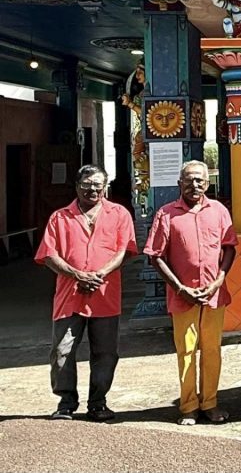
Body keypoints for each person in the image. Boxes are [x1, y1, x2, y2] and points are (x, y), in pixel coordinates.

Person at [34, 164, 137, 421]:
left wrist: (98, 275)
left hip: (105, 294)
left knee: (105, 352)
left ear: (105, 187)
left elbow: (123, 251)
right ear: (77, 186)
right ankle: (66, 402)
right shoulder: (60, 217)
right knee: (62, 350)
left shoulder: (119, 214)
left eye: (98, 185)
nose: (92, 190)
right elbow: (49, 254)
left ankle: (98, 403)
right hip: (69, 295)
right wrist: (77, 274)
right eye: (87, 185)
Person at [144, 161, 237, 426]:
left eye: (200, 181)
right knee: (185, 352)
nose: (194, 185)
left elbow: (229, 247)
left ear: (208, 184)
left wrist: (219, 279)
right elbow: (156, 256)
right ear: (179, 184)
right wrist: (179, 287)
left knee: (211, 350)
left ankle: (210, 403)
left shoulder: (218, 211)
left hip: (214, 293)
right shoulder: (166, 214)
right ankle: (188, 406)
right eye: (189, 180)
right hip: (181, 295)